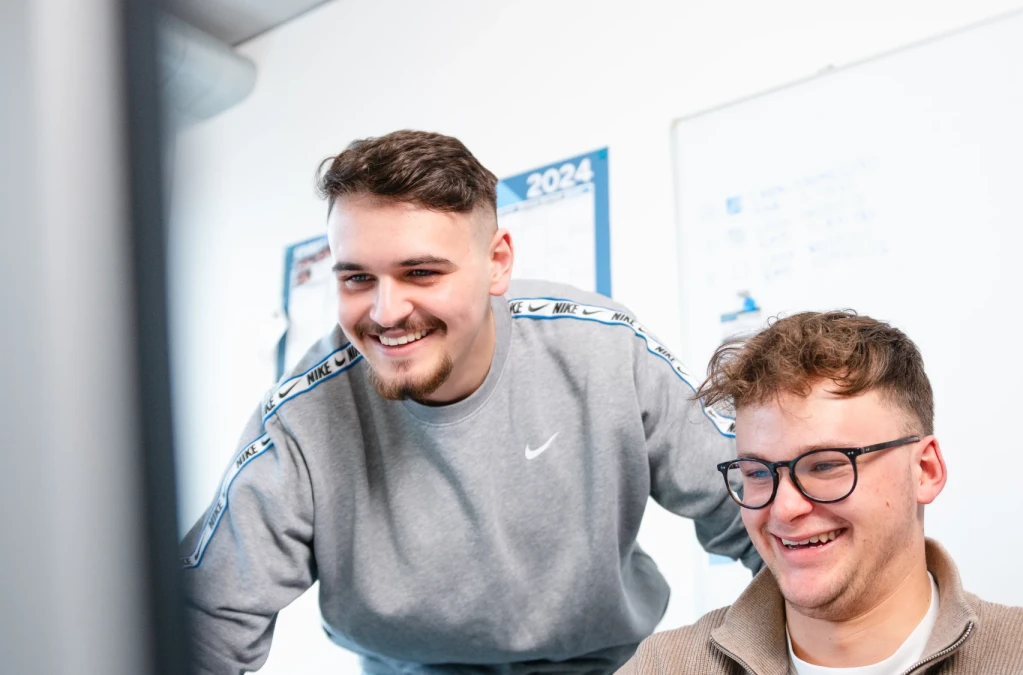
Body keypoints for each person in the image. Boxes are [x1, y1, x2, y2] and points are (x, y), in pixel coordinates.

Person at [180, 130, 760, 675]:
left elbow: (758, 512)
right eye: (357, 279)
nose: (385, 313)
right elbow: (204, 619)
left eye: (422, 272)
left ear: (498, 263)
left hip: (600, 664)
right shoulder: (300, 415)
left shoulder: (603, 347)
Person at [619, 311, 1023, 674]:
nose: (783, 508)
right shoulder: (663, 667)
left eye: (824, 465)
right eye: (758, 473)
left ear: (926, 470)